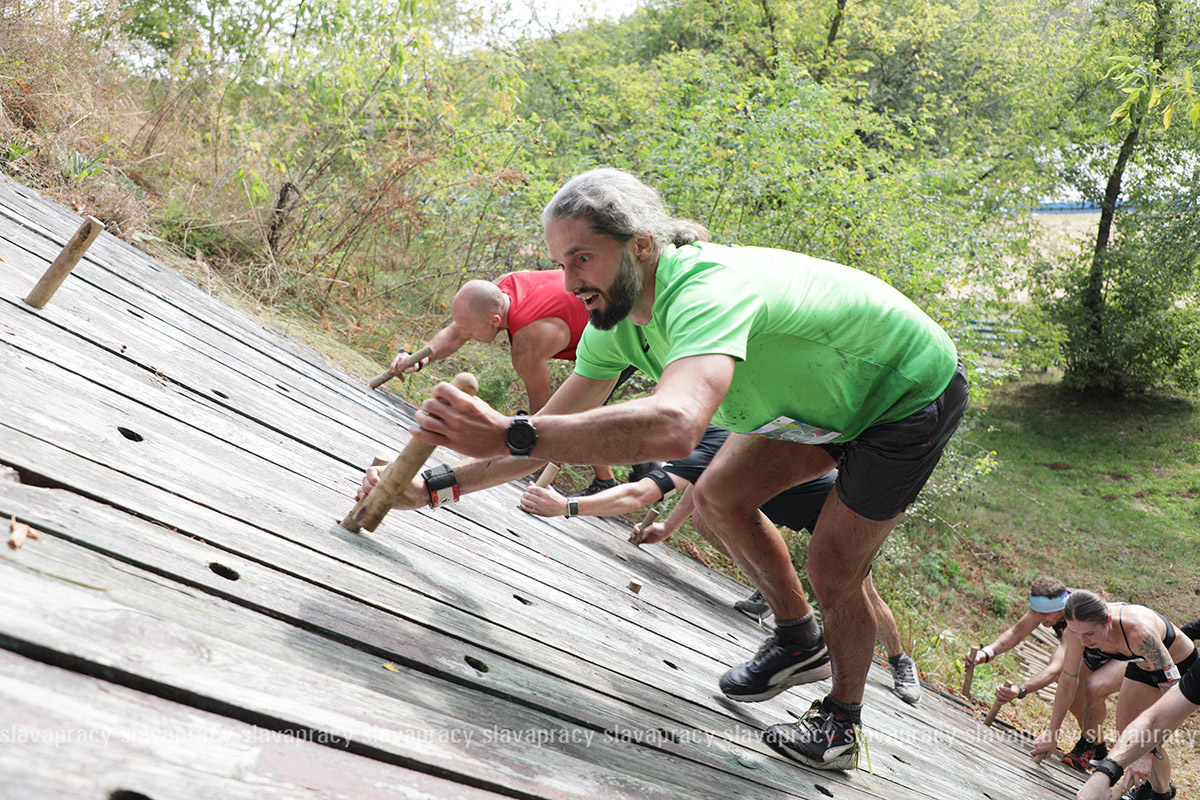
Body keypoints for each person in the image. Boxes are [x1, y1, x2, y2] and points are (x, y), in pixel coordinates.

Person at [358, 167, 968, 770]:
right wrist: (432, 486)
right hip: (820, 400)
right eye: (560, 263)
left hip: (904, 391)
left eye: (582, 260)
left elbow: (678, 425)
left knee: (834, 563)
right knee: (716, 498)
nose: (569, 283)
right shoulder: (615, 323)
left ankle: (841, 724)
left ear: (641, 247)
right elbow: (543, 439)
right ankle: (798, 640)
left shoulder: (704, 289)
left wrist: (506, 427)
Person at [520, 425, 922, 705]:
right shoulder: (702, 439)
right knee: (707, 517)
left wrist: (567, 506)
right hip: (781, 498)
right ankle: (776, 592)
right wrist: (667, 527)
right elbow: (701, 488)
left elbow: (636, 496)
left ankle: (901, 660)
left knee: (856, 591)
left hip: (831, 507)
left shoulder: (700, 443)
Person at [382, 270, 651, 493]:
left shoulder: (527, 344)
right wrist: (418, 359)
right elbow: (454, 332)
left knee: (578, 415)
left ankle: (630, 469)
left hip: (622, 335)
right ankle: (616, 473)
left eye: (470, 330)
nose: (465, 334)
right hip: (601, 312)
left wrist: (541, 452)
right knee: (579, 413)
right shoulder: (503, 287)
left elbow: (544, 416)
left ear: (495, 320)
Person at [1032, 591, 1197, 800]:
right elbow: (1067, 680)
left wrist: (1147, 751)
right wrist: (1052, 732)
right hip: (1140, 663)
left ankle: (1159, 793)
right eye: (1077, 634)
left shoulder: (1141, 633)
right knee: (1127, 734)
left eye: (1090, 635)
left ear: (1108, 621)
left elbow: (1171, 699)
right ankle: (1158, 789)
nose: (1083, 641)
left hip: (1178, 667)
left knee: (1141, 740)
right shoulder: (1075, 631)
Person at [967, 577, 1124, 772]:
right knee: (1075, 698)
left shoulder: (1072, 621)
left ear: (1060, 608)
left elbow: (1055, 669)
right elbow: (1017, 633)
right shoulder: (1047, 608)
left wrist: (1021, 689)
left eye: (1045, 615)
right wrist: (987, 652)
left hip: (1121, 653)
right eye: (1037, 613)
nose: (1041, 620)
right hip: (1093, 648)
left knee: (1094, 687)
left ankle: (1087, 744)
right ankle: (1096, 746)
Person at [1077, 653, 1200, 800]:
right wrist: (1104, 774)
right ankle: (1159, 792)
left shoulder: (1141, 633)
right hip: (1147, 666)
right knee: (1127, 735)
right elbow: (1156, 720)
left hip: (1172, 664)